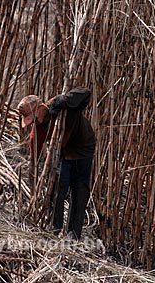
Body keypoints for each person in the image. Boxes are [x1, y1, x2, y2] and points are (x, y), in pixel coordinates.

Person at [17, 87, 96, 240]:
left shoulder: (58, 104)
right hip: (63, 151)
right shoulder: (38, 129)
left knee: (79, 189)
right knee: (58, 185)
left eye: (33, 117)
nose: (34, 122)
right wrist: (33, 192)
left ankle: (73, 235)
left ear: (40, 107)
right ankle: (55, 228)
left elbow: (86, 93)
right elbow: (33, 161)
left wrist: (62, 101)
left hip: (83, 147)